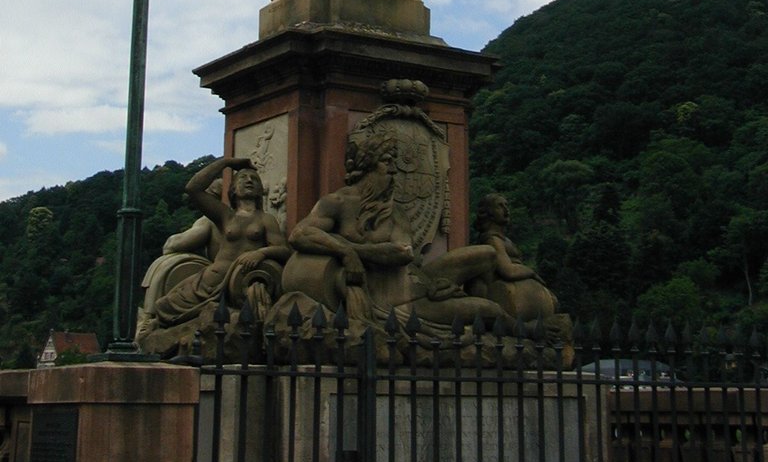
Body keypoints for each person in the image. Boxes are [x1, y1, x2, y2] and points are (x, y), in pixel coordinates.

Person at [284, 136, 513, 328]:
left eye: (394, 162)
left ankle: (468, 303)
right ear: (367, 166)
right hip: (396, 300)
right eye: (386, 161)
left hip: (415, 282)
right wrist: (345, 252)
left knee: (487, 254)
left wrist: (352, 251)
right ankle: (524, 331)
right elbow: (299, 234)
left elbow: (403, 252)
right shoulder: (337, 202)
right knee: (489, 310)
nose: (393, 169)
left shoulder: (396, 212)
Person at [150, 157, 291, 329]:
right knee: (163, 307)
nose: (249, 180)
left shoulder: (266, 219)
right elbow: (193, 188)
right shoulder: (226, 216)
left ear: (261, 190)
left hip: (239, 283)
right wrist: (226, 163)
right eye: (242, 178)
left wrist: (261, 253)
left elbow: (284, 250)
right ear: (232, 189)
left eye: (254, 179)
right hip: (208, 282)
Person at [472, 192, 557, 322]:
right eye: (500, 206)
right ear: (488, 212)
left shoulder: (505, 240)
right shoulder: (492, 239)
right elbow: (508, 271)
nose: (506, 210)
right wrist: (532, 273)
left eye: (506, 205)